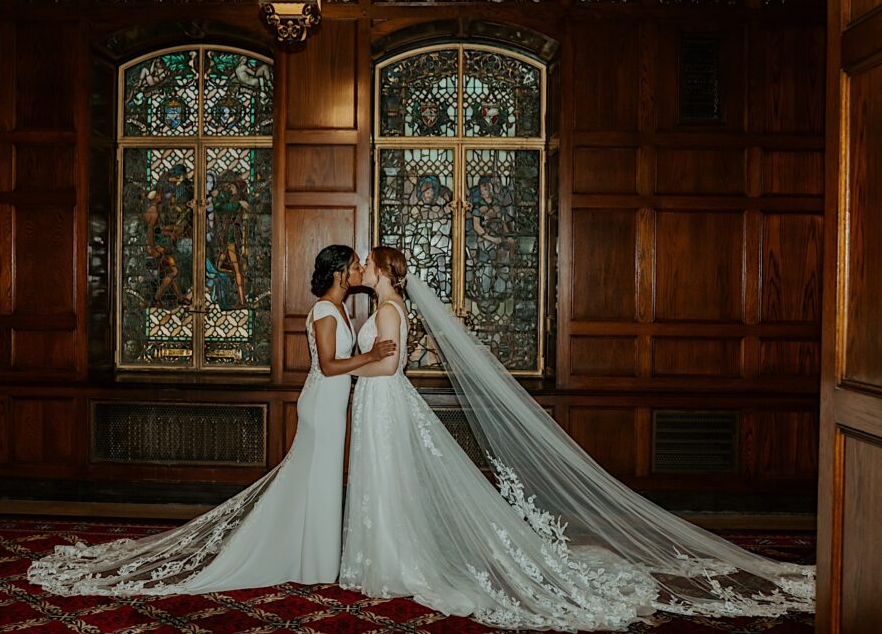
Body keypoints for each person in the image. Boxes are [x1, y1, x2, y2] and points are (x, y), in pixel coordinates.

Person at [340, 246, 814, 631]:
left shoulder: (386, 311)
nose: (361, 267)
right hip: (379, 402)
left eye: (367, 262)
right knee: (388, 481)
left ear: (383, 271)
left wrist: (349, 367)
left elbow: (387, 364)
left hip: (382, 399)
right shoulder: (389, 306)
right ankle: (387, 555)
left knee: (388, 478)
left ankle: (395, 560)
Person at [28, 245, 395, 596]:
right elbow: (329, 366)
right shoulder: (325, 312)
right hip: (321, 403)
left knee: (322, 481)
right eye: (355, 265)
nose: (360, 269)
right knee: (318, 477)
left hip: (333, 404)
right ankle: (311, 561)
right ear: (340, 273)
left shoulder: (342, 309)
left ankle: (316, 560)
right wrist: (371, 356)